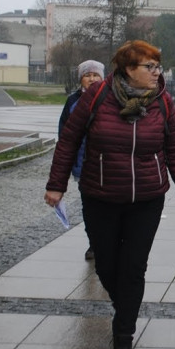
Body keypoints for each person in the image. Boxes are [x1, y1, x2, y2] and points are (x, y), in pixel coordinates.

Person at [45, 40, 175, 349]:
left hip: (147, 198)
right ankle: (126, 304)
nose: (157, 73)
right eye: (150, 67)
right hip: (100, 195)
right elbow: (69, 140)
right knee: (105, 264)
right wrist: (56, 185)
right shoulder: (97, 96)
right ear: (129, 69)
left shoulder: (163, 103)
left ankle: (123, 336)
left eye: (158, 67)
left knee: (133, 266)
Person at [58, 59, 105, 262]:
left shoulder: (110, 98)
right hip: (83, 164)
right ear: (81, 79)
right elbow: (65, 134)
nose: (92, 79)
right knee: (89, 206)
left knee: (106, 205)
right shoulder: (73, 101)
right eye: (88, 75)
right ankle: (94, 243)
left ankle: (108, 242)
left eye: (96, 75)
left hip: (107, 164)